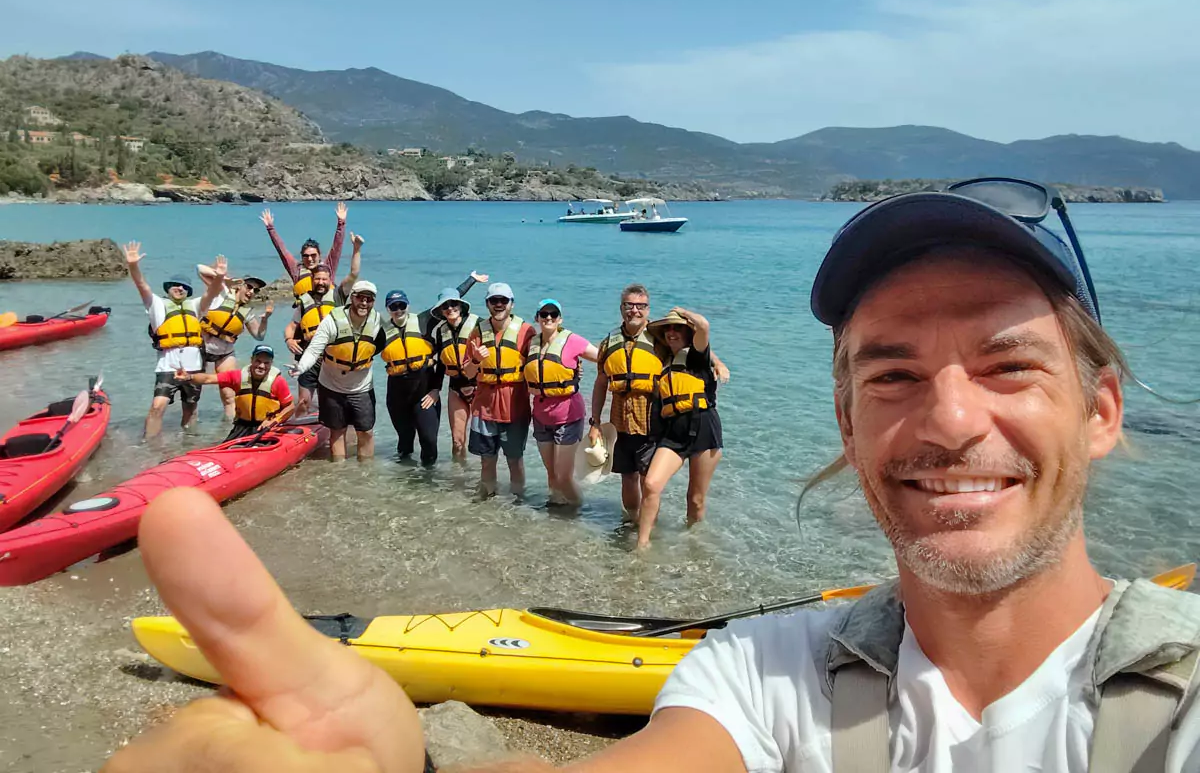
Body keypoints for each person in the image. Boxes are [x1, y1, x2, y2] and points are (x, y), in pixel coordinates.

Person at [102, 178, 1200, 773]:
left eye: (1008, 362)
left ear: (1101, 410)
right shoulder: (757, 680)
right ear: (847, 421)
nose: (952, 417)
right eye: (894, 371)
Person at [590, 284, 728, 522]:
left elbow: (694, 348)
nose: (635, 311)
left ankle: (649, 529)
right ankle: (631, 522)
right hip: (620, 418)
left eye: (640, 306)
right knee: (627, 476)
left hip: (651, 419)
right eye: (629, 305)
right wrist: (595, 422)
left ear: (647, 308)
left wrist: (717, 362)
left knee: (649, 480)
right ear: (621, 308)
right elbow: (601, 382)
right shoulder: (608, 342)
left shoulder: (660, 338)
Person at [380, 271, 486, 465]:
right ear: (387, 309)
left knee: (431, 442)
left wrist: (471, 280)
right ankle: (405, 480)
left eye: (401, 305)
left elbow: (452, 299)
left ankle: (438, 483)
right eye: (393, 306)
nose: (398, 309)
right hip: (397, 392)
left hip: (426, 390)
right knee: (406, 442)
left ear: (407, 305)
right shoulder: (382, 331)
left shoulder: (423, 321)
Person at [637, 308, 722, 549]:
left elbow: (704, 325)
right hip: (673, 432)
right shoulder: (663, 362)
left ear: (687, 332)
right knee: (652, 484)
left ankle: (694, 546)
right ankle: (642, 546)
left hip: (704, 427)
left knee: (695, 500)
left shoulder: (697, 356)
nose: (672, 332)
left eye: (678, 328)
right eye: (668, 329)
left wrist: (682, 312)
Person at [122, 241, 226, 439]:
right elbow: (141, 285)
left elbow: (211, 293)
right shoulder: (157, 305)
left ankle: (189, 444)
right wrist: (133, 265)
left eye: (185, 287)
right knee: (157, 406)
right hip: (167, 367)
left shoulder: (195, 306)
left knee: (191, 408)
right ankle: (149, 445)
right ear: (168, 288)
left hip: (194, 366)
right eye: (176, 286)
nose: (180, 288)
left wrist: (219, 276)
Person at [291, 280, 381, 462]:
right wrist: (301, 367)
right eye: (360, 298)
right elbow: (314, 349)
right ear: (351, 299)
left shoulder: (377, 321)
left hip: (361, 387)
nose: (364, 303)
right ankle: (338, 474)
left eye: (369, 299)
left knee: (366, 432)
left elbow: (383, 346)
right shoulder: (332, 321)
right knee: (337, 432)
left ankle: (366, 475)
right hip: (331, 386)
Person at [461, 282, 535, 498]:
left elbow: (542, 362)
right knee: (487, 460)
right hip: (484, 407)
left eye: (504, 300)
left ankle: (517, 503)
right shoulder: (477, 333)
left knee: (515, 460)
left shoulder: (526, 332)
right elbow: (467, 373)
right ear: (487, 304)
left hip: (515, 407)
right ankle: (487, 501)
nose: (499, 304)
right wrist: (475, 359)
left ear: (512, 304)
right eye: (494, 300)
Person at [522, 298, 599, 506]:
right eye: (544, 314)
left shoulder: (572, 340)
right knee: (552, 475)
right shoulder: (532, 343)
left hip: (568, 416)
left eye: (553, 314)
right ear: (537, 317)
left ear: (560, 319)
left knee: (563, 477)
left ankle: (578, 511)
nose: (548, 318)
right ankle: (556, 515)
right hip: (541, 416)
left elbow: (603, 358)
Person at [282, 233, 364, 415]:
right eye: (317, 279)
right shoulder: (304, 301)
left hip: (332, 359)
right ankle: (302, 435)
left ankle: (339, 427)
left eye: (324, 279)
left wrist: (356, 249)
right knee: (303, 402)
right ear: (312, 280)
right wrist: (288, 339)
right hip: (310, 357)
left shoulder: (338, 296)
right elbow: (292, 325)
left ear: (329, 280)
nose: (320, 282)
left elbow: (354, 274)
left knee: (335, 404)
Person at [194, 267, 273, 420]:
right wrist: (223, 279)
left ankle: (230, 429)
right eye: (249, 287)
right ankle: (190, 433)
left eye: (255, 291)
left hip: (224, 353)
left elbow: (259, 336)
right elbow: (200, 269)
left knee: (229, 395)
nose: (251, 292)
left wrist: (265, 320)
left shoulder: (248, 313)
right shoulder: (221, 293)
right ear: (240, 286)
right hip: (200, 348)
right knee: (193, 393)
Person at [173, 344, 294, 441]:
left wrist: (274, 421)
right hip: (242, 426)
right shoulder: (238, 377)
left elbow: (290, 407)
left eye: (266, 363)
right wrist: (189, 377)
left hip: (267, 427)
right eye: (258, 361)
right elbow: (208, 378)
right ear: (252, 360)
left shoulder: (278, 382)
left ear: (271, 364)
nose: (261, 366)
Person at [429, 288, 480, 461]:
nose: (450, 308)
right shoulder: (440, 331)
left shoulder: (478, 325)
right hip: (455, 388)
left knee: (485, 440)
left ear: (461, 306)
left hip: (479, 387)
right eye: (445, 306)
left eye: (454, 304)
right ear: (441, 311)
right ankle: (458, 479)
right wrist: (435, 388)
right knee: (457, 442)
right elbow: (442, 363)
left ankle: (485, 479)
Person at [260, 202, 348, 299]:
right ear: (302, 257)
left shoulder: (328, 268)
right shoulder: (296, 271)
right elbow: (282, 251)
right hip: (305, 313)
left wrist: (341, 223)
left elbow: (337, 247)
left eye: (313, 255)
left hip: (327, 312)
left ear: (319, 256)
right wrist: (270, 228)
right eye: (306, 256)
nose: (310, 259)